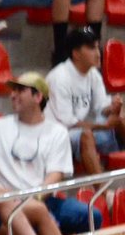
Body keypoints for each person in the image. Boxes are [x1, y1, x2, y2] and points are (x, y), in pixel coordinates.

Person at [0, 72, 98, 235]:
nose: (13, 95)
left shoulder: (57, 132)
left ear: (38, 97)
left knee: (91, 215)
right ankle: (38, 234)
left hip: (42, 200)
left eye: (20, 90)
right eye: (13, 91)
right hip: (3, 202)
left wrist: (34, 199)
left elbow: (55, 174)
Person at [44, 26, 124, 175]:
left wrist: (113, 107)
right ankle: (102, 189)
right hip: (57, 136)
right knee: (86, 136)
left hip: (81, 129)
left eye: (97, 47)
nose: (98, 53)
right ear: (76, 54)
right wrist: (104, 126)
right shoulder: (59, 78)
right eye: (91, 48)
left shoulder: (93, 74)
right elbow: (69, 123)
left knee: (121, 120)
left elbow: (101, 107)